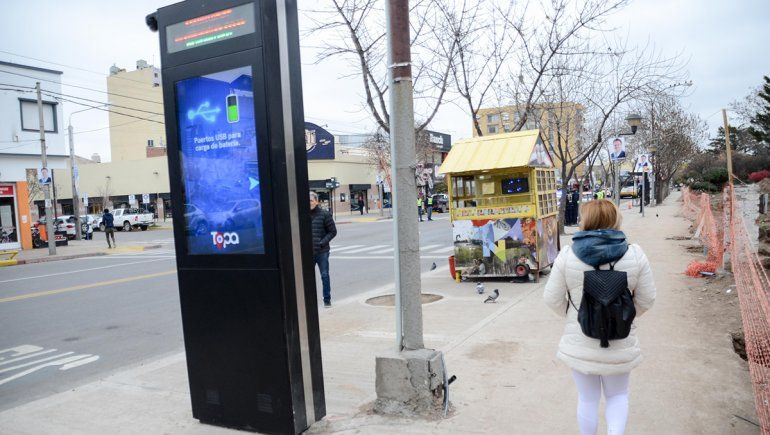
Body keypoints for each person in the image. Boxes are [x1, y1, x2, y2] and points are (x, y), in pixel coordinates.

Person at [543, 200, 656, 435]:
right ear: (616, 219)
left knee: (587, 399)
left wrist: (575, 314)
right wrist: (623, 316)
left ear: (585, 220)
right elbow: (646, 300)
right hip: (620, 340)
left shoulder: (567, 255)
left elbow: (552, 299)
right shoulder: (634, 253)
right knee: (618, 396)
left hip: (580, 341)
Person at [310, 191, 337, 307]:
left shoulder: (325, 214)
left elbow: (333, 232)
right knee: (307, 277)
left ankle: (327, 300)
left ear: (316, 201)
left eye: (310, 200)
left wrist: (322, 242)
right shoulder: (302, 215)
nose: (308, 203)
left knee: (324, 275)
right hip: (308, 252)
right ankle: (309, 301)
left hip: (322, 251)